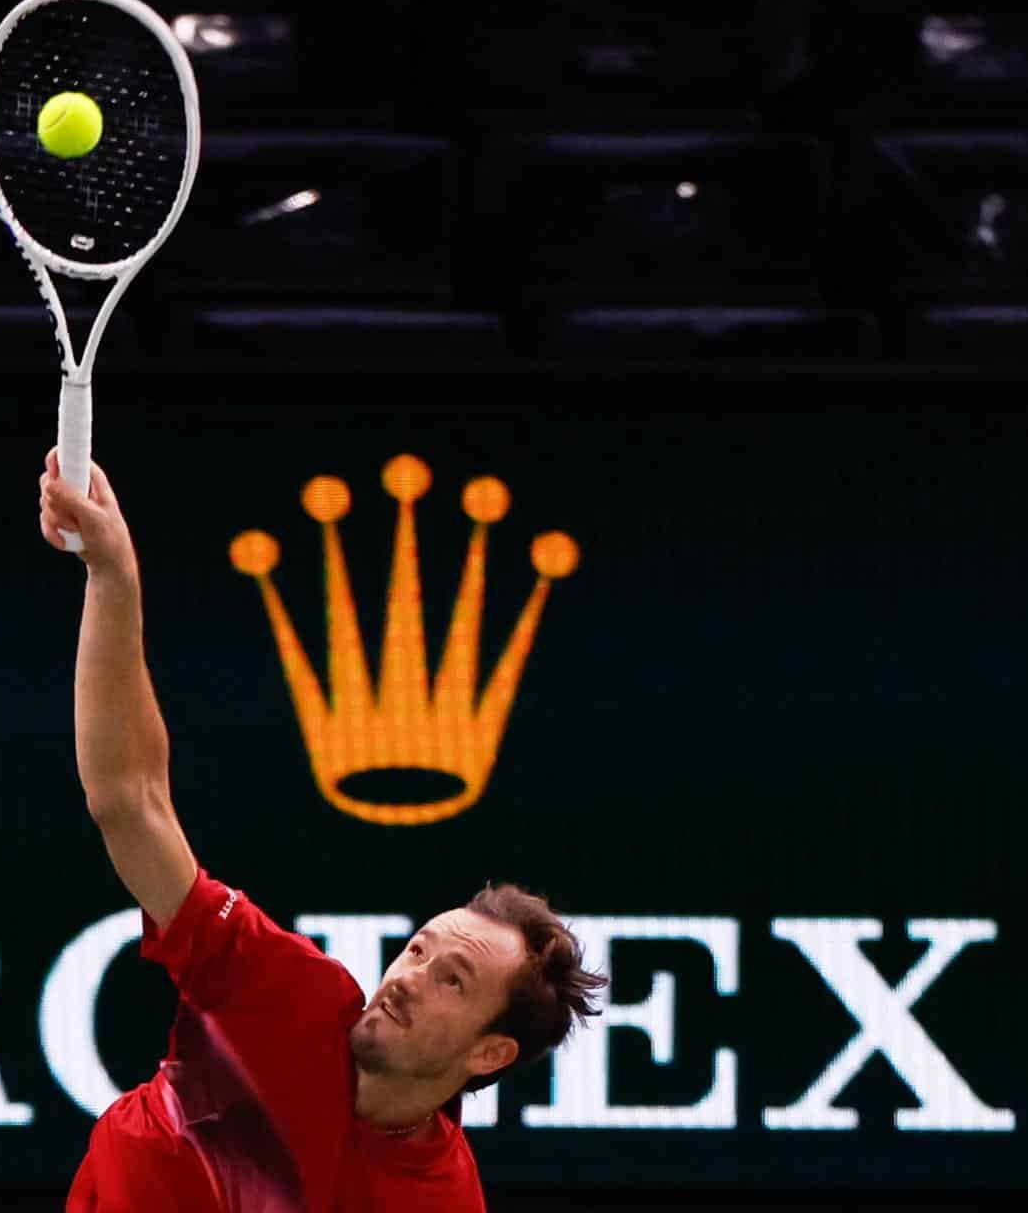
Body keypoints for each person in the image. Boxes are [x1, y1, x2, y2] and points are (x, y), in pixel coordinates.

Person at [38, 449, 607, 1212]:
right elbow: (130, 799)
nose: (408, 977)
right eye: (418, 950)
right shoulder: (290, 994)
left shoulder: (442, 1201)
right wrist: (113, 577)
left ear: (490, 1051)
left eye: (453, 981)